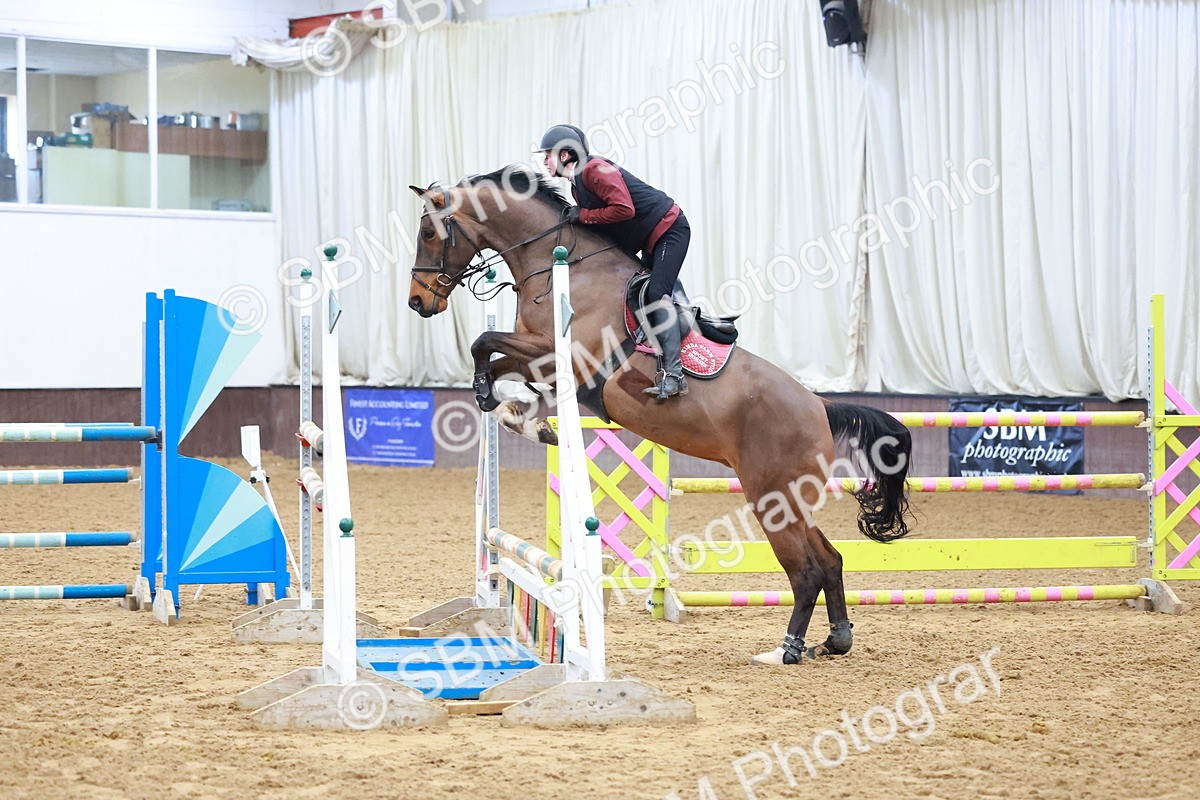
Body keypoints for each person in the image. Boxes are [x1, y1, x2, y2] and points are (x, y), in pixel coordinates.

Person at [537, 123, 691, 399]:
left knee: (655, 294)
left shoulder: (593, 169)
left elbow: (624, 208)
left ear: (563, 155)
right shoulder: (577, 187)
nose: (544, 161)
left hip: (670, 229)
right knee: (636, 291)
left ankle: (675, 375)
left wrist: (582, 216)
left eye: (547, 155)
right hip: (651, 238)